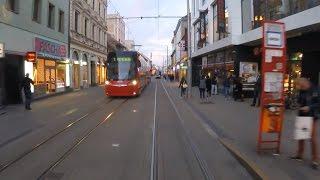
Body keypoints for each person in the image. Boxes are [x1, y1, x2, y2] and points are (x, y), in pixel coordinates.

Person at [290, 78, 319, 169]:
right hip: (302, 115)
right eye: (299, 86)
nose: (300, 88)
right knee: (301, 135)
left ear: (305, 83)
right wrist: (298, 105)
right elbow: (299, 100)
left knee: (312, 138)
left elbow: (318, 103)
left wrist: (309, 107)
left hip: (312, 116)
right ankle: (299, 154)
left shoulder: (316, 89)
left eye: (300, 86)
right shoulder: (302, 90)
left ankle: (315, 159)